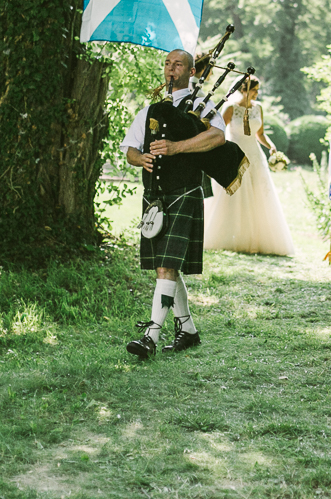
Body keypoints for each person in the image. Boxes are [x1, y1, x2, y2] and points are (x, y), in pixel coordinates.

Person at [119, 49, 225, 359]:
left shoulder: (201, 106)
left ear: (191, 72)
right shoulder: (151, 108)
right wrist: (143, 158)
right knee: (165, 267)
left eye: (177, 64)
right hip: (155, 196)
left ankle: (151, 335)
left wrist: (177, 147)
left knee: (166, 266)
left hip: (184, 191)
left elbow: (217, 137)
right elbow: (129, 150)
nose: (170, 69)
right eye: (167, 63)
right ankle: (188, 330)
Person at [204, 75, 296, 256]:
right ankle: (226, 237)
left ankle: (256, 239)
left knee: (257, 196)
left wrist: (271, 146)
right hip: (234, 155)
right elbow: (218, 131)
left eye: (257, 90)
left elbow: (259, 134)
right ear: (243, 89)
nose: (257, 93)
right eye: (254, 89)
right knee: (232, 196)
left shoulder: (259, 108)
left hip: (254, 156)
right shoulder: (231, 108)